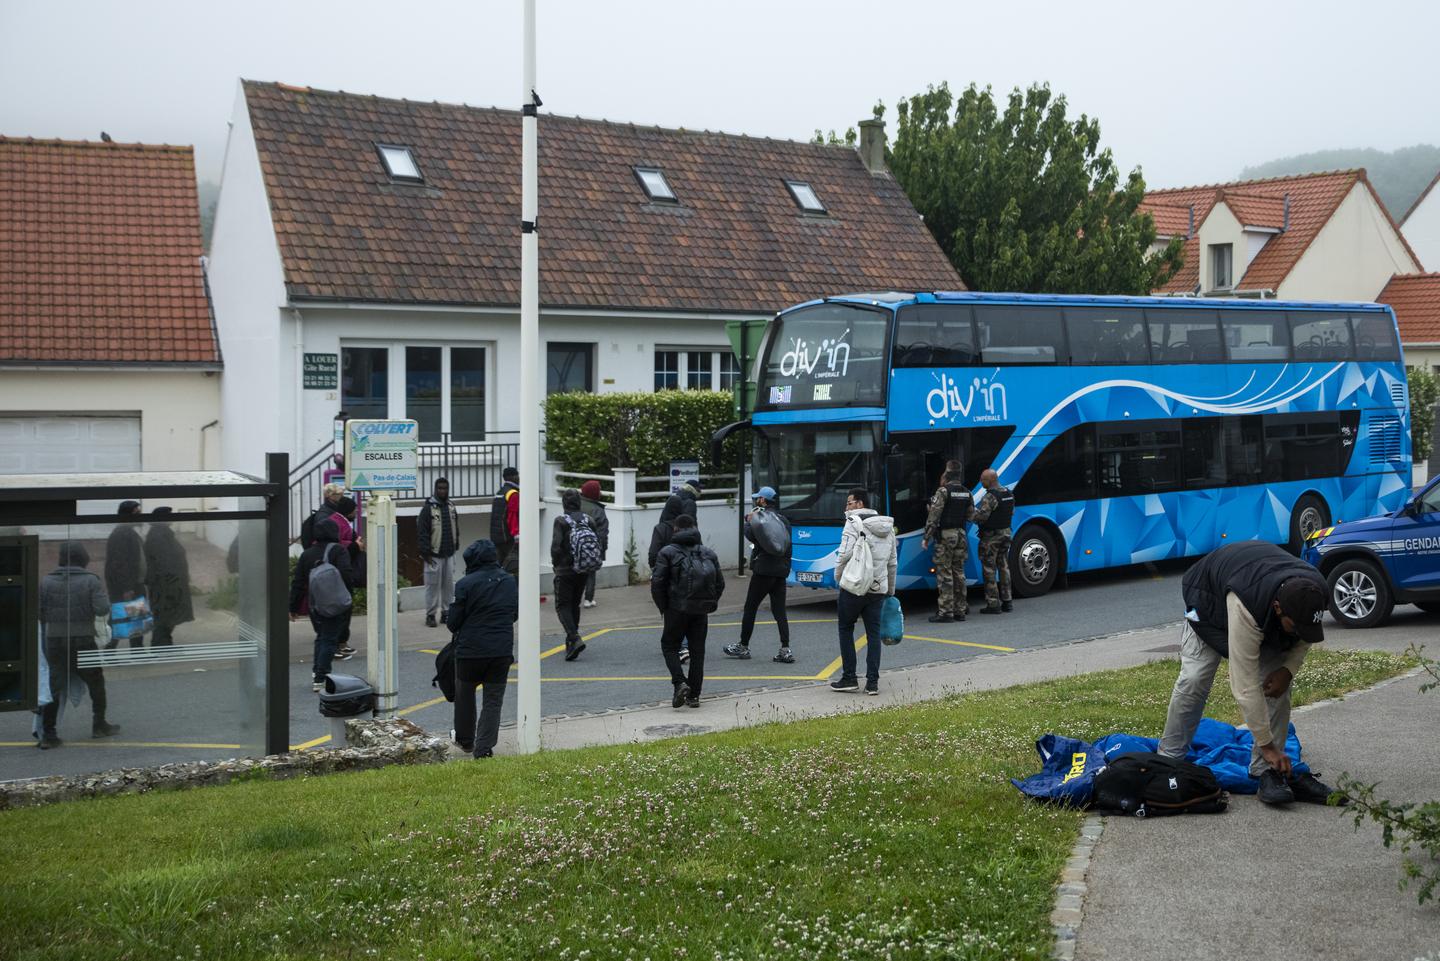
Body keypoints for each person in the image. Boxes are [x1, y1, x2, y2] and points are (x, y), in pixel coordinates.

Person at [1158, 540, 1339, 806]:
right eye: (1295, 626)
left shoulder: (1313, 593)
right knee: (1194, 680)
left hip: (1260, 598)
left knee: (1278, 686)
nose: (1301, 633)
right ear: (1278, 609)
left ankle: (1266, 772)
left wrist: (1288, 670)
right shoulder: (1247, 605)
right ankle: (1167, 759)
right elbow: (1244, 684)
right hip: (1210, 605)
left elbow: (1304, 634)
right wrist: (1267, 745)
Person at [38, 542, 118, 747]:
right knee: (95, 682)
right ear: (83, 557)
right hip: (83, 639)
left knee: (54, 686)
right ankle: (99, 724)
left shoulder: (46, 581)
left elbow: (39, 612)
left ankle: (48, 733)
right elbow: (101, 609)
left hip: (54, 639)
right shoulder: (91, 580)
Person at [447, 539, 518, 758]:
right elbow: (514, 613)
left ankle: (466, 740)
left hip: (470, 651)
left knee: (465, 694)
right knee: (493, 700)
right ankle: (484, 748)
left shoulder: (465, 584)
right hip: (501, 650)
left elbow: (453, 623)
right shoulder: (509, 581)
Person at [650, 514, 724, 709]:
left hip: (676, 608)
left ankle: (679, 682)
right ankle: (694, 696)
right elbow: (720, 583)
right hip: (701, 609)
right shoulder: (708, 553)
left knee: (669, 646)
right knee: (697, 652)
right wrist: (709, 602)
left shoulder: (667, 552)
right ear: (694, 528)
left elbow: (657, 583)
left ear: (675, 529)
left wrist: (663, 606)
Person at [831, 488, 897, 696]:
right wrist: (890, 590)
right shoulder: (888, 527)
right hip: (877, 588)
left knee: (845, 628)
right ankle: (872, 683)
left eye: (849, 503)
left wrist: (838, 577)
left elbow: (843, 555)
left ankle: (849, 678)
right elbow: (892, 563)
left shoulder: (853, 524)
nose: (846, 508)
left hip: (854, 586)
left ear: (860, 504)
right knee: (873, 634)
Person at [723, 486, 794, 663]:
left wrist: (749, 521)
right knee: (780, 611)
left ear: (763, 500)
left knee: (750, 608)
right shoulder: (783, 519)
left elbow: (751, 535)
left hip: (763, 571)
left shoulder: (760, 518)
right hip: (781, 571)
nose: (756, 500)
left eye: (758, 498)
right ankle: (785, 649)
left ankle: (743, 646)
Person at [289, 517, 360, 692]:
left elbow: (298, 582)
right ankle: (321, 676)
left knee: (321, 636)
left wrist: (293, 607)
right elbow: (347, 575)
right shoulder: (339, 551)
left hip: (315, 604)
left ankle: (317, 672)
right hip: (334, 603)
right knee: (329, 639)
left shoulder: (307, 554)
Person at [921, 459, 972, 623]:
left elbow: (934, 516)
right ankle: (960, 610)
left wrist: (926, 537)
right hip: (961, 534)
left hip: (946, 535)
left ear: (947, 474)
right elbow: (972, 516)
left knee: (945, 573)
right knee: (959, 572)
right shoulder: (966, 492)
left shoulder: (943, 492)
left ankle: (946, 612)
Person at [550, 488, 592, 661]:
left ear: (564, 504)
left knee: (562, 605)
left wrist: (555, 564)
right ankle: (571, 641)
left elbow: (556, 547)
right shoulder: (588, 520)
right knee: (574, 604)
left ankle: (574, 638)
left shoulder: (561, 521)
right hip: (583, 569)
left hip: (565, 569)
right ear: (579, 502)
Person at [144, 507, 193, 646]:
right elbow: (163, 561)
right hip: (165, 584)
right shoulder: (158, 535)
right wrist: (172, 579)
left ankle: (164, 643)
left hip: (170, 582)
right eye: (169, 515)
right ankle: (160, 645)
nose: (172, 517)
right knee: (165, 614)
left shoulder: (163, 534)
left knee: (169, 614)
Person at [417, 477, 461, 628]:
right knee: (432, 587)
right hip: (433, 556)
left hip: (449, 553)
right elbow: (422, 533)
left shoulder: (451, 506)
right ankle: (430, 615)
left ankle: (446, 613)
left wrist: (456, 546)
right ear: (435, 489)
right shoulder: (427, 509)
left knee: (449, 586)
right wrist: (426, 554)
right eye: (440, 488)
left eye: (445, 488)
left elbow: (456, 527)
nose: (443, 491)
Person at [103, 500, 146, 648]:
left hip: (133, 584)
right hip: (126, 586)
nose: (140, 516)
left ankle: (137, 651)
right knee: (120, 617)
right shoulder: (122, 533)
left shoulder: (129, 532)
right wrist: (127, 587)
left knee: (134, 617)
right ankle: (110, 649)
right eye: (137, 513)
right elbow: (119, 563)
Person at [972, 469, 1014, 614]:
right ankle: (1007, 601)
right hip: (1006, 534)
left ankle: (993, 604)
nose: (981, 482)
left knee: (989, 569)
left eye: (982, 480)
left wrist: (970, 513)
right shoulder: (1008, 493)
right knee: (1004, 566)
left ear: (989, 481)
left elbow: (981, 518)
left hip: (991, 538)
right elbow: (1011, 512)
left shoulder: (990, 497)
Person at [330, 496, 363, 660]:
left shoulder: (339, 521)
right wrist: (355, 546)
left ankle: (342, 642)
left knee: (344, 610)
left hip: (340, 574)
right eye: (354, 509)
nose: (356, 512)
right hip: (341, 575)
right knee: (342, 609)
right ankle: (338, 643)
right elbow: (340, 546)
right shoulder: (338, 522)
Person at [579, 479, 610, 608]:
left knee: (577, 572)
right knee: (591, 573)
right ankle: (588, 599)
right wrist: (602, 549)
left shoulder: (576, 504)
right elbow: (602, 533)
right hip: (592, 546)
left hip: (575, 545)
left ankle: (575, 597)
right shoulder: (597, 510)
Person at [490, 467, 520, 575]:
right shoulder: (513, 494)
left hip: (497, 537)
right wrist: (517, 536)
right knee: (513, 567)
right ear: (513, 477)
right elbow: (512, 516)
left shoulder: (499, 493)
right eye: (517, 475)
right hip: (508, 538)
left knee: (497, 568)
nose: (519, 477)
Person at [300, 482, 345, 549]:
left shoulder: (328, 511)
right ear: (331, 496)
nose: (342, 496)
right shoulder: (325, 515)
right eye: (339, 494)